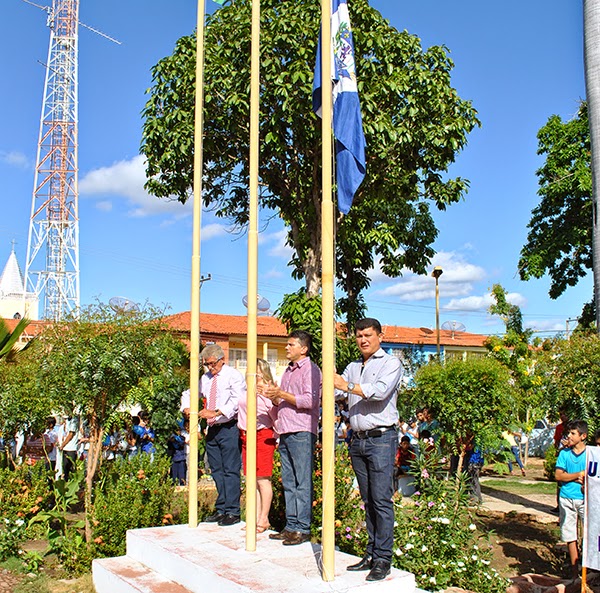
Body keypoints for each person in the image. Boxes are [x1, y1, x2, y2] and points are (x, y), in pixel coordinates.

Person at [334, 317, 403, 582]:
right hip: (358, 439)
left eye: (368, 335)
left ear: (380, 336)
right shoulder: (352, 366)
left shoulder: (391, 363)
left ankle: (383, 558)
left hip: (382, 438)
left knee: (381, 500)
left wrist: (346, 386)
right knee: (367, 499)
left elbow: (379, 392)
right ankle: (372, 553)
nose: (363, 340)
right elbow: (339, 393)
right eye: (359, 336)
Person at [264, 330, 321, 546]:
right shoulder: (287, 371)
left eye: (291, 345)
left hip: (302, 429)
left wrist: (281, 395)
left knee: (302, 481)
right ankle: (291, 526)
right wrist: (273, 396)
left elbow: (310, 401)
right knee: (289, 481)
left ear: (303, 349)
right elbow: (284, 402)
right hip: (286, 428)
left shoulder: (311, 370)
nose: (287, 348)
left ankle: (302, 528)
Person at [200, 344, 244, 527]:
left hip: (228, 426)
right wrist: (186, 406)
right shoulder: (205, 378)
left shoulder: (233, 375)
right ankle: (222, 508)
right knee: (216, 469)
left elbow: (238, 399)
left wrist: (217, 412)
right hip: (212, 429)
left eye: (212, 364)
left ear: (221, 359)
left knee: (230, 469)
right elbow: (191, 392)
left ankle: (233, 510)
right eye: (207, 364)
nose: (210, 368)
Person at [238, 358, 278, 532]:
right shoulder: (246, 388)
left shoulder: (266, 389)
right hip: (246, 435)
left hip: (263, 434)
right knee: (251, 479)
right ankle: (253, 518)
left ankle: (263, 519)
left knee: (262, 478)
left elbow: (274, 412)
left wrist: (266, 393)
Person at [555, 420, 588, 580]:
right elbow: (559, 475)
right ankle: (575, 573)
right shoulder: (564, 454)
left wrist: (577, 477)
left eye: (573, 433)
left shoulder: (591, 454)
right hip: (567, 498)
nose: (569, 435)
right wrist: (578, 475)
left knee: (590, 533)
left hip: (585, 499)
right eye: (569, 433)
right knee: (570, 535)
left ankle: (589, 570)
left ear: (583, 436)